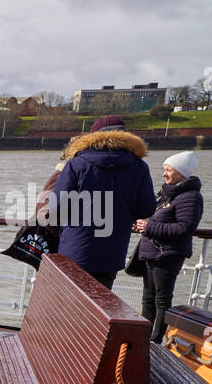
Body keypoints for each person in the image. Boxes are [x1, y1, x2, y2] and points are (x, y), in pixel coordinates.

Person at [48, 115, 157, 289]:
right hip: (112, 251)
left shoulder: (77, 163)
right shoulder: (139, 167)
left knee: (71, 307)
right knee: (100, 305)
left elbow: (56, 208)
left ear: (93, 136)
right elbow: (146, 208)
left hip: (76, 248)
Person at [134, 151, 203, 343]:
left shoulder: (190, 197)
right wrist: (142, 224)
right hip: (152, 253)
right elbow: (160, 219)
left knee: (162, 300)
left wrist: (149, 226)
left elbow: (185, 227)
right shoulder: (167, 194)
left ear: (182, 172)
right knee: (148, 299)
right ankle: (143, 338)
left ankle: (155, 341)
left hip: (168, 255)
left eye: (168, 170)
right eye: (164, 169)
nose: (164, 174)